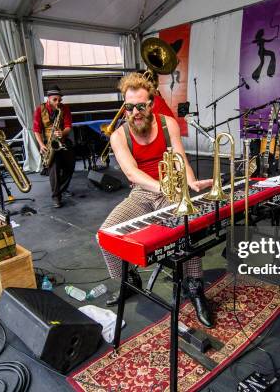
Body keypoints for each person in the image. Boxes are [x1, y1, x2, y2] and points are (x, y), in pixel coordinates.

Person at [97, 72, 215, 328]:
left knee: (186, 233)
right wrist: (160, 185)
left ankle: (195, 289)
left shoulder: (167, 124)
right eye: (129, 107)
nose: (135, 112)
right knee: (105, 235)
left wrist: (191, 181)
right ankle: (129, 280)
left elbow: (180, 158)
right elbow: (131, 173)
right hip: (142, 192)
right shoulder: (118, 135)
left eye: (141, 105)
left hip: (172, 192)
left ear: (151, 104)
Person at [33, 85, 76, 208]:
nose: (58, 102)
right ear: (48, 99)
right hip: (49, 143)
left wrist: (63, 133)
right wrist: (41, 145)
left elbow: (68, 126)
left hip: (63, 140)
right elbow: (36, 130)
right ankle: (56, 197)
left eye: (59, 100)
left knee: (70, 167)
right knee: (54, 170)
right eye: (55, 100)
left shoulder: (64, 109)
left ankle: (59, 189)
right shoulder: (39, 109)